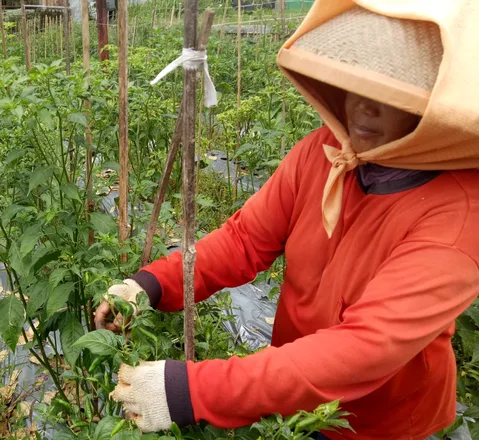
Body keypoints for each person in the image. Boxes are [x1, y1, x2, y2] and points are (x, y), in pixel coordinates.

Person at [95, 2, 479, 439]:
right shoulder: (324, 150)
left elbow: (364, 349)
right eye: (355, 80)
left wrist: (192, 390)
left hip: (382, 420)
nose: (362, 106)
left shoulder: (460, 212)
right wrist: (151, 284)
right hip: (294, 393)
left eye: (394, 92)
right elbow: (246, 240)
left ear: (435, 109)